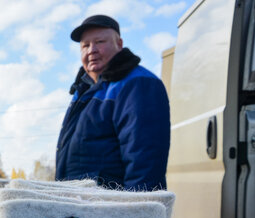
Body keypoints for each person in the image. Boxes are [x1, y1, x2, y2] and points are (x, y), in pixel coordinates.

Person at [56, 15, 170, 191]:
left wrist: (137, 212)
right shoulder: (82, 92)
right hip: (83, 208)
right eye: (85, 45)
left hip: (112, 210)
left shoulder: (137, 84)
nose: (91, 50)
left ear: (120, 44)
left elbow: (145, 162)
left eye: (99, 42)